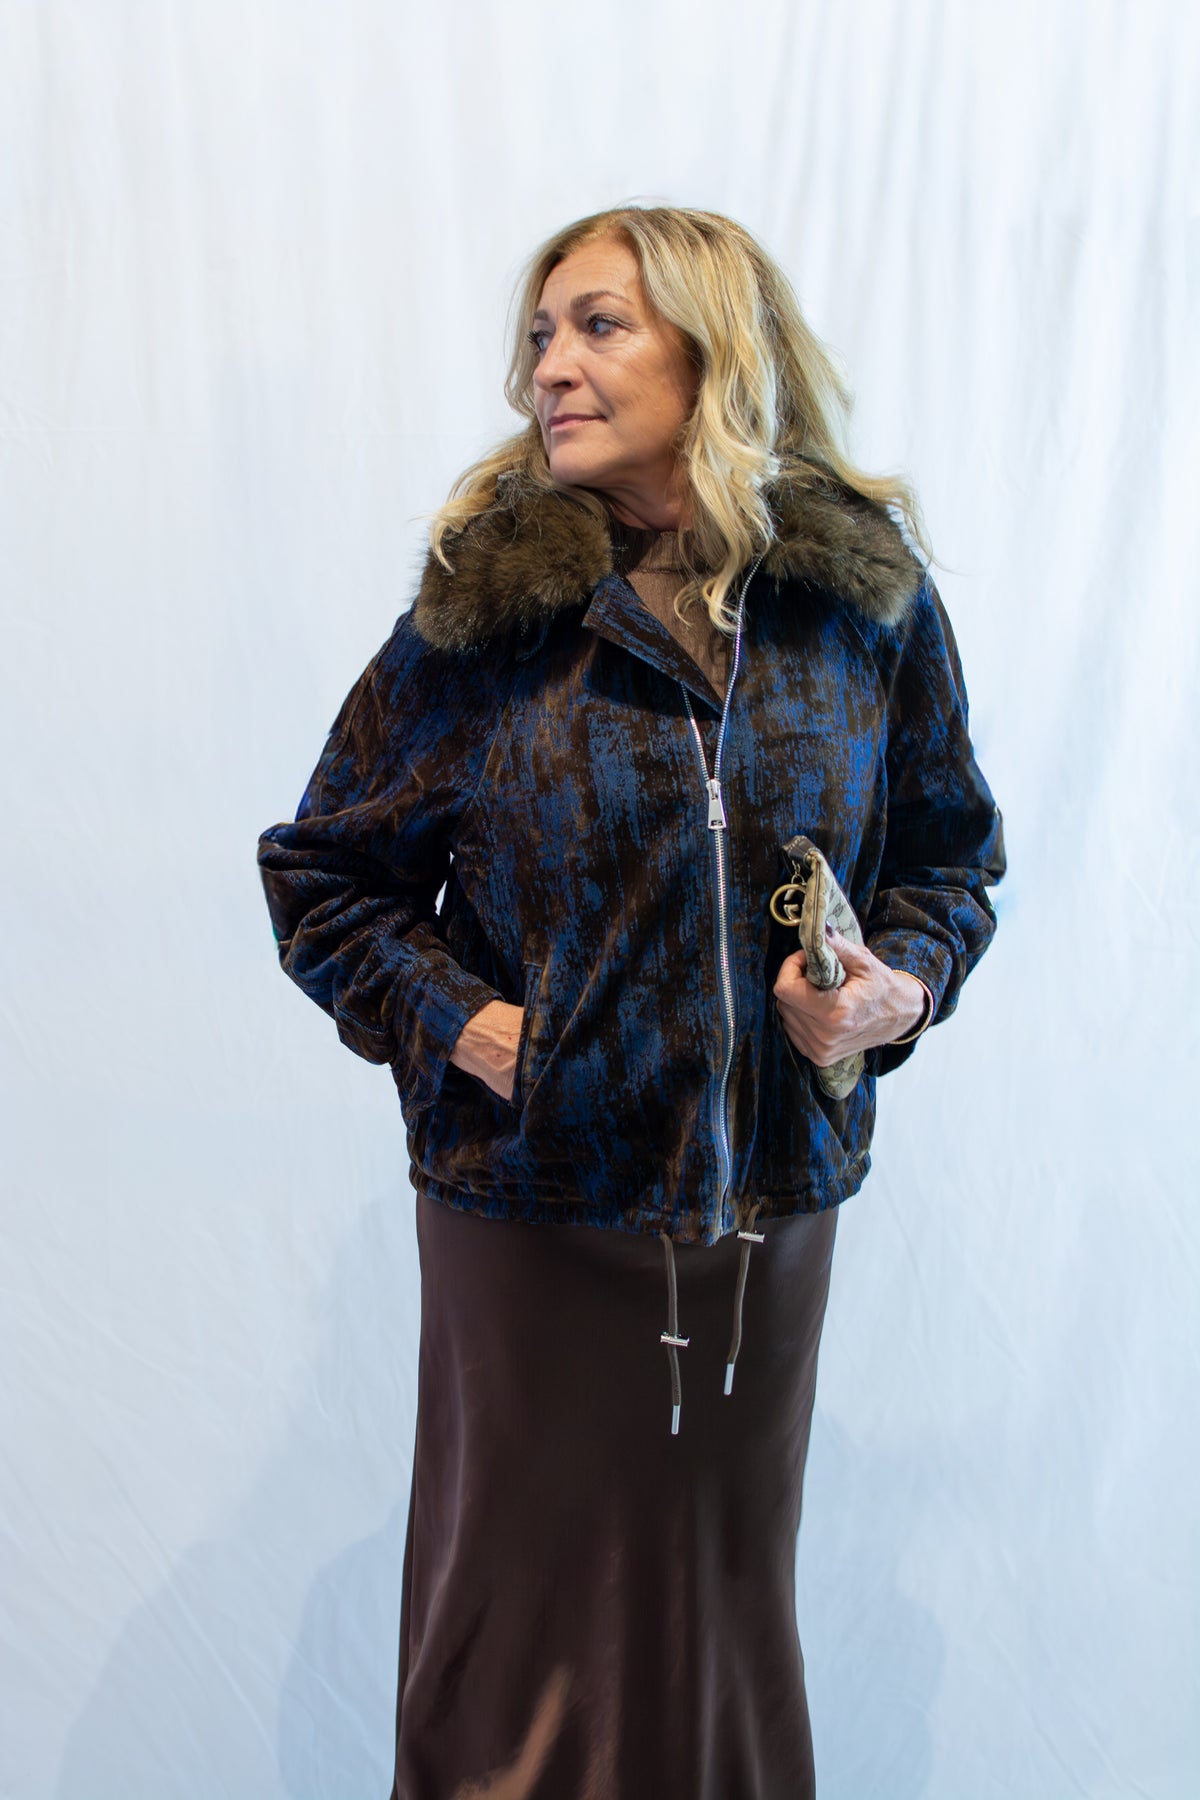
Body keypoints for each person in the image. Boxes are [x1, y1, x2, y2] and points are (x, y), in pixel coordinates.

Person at [257, 204, 1005, 1800]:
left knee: (717, 1638)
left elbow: (952, 858)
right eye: (541, 334)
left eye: (598, 325)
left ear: (714, 348)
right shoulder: (488, 620)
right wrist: (477, 1033)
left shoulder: (861, 607)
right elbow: (322, 877)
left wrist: (895, 994)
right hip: (534, 1215)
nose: (551, 366)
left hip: (768, 1218)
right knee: (512, 1650)